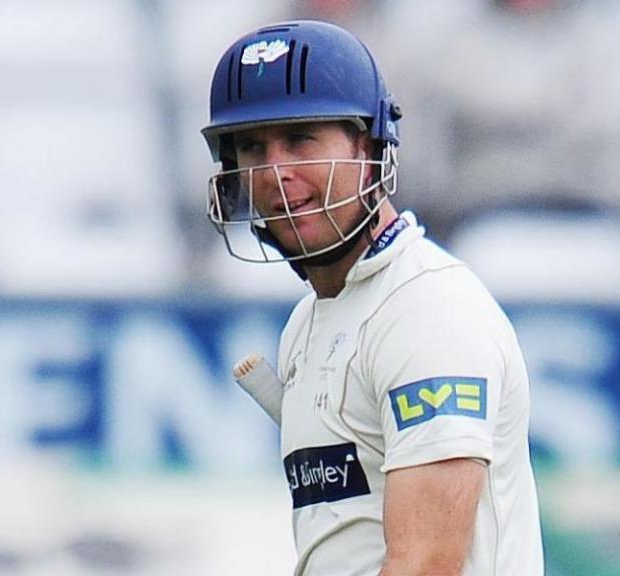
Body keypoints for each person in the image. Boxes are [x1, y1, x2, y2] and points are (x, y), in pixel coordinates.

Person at [201, 20, 544, 576]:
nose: (275, 172)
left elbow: (426, 566)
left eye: (300, 139)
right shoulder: (310, 321)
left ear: (369, 147)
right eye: (252, 147)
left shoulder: (427, 312)